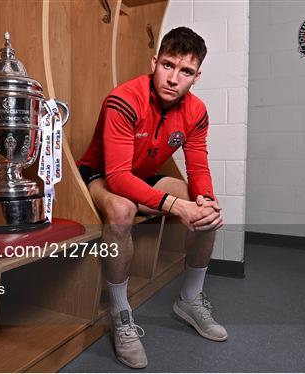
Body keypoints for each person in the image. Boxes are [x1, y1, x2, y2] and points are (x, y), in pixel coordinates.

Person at [76, 26, 226, 369]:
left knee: (206, 209)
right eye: (168, 65)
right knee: (121, 210)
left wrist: (204, 201)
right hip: (100, 174)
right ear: (154, 61)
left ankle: (189, 300)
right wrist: (175, 205)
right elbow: (117, 176)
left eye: (185, 71)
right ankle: (120, 312)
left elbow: (198, 169)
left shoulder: (197, 111)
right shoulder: (124, 98)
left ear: (196, 76)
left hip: (142, 175)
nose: (174, 78)